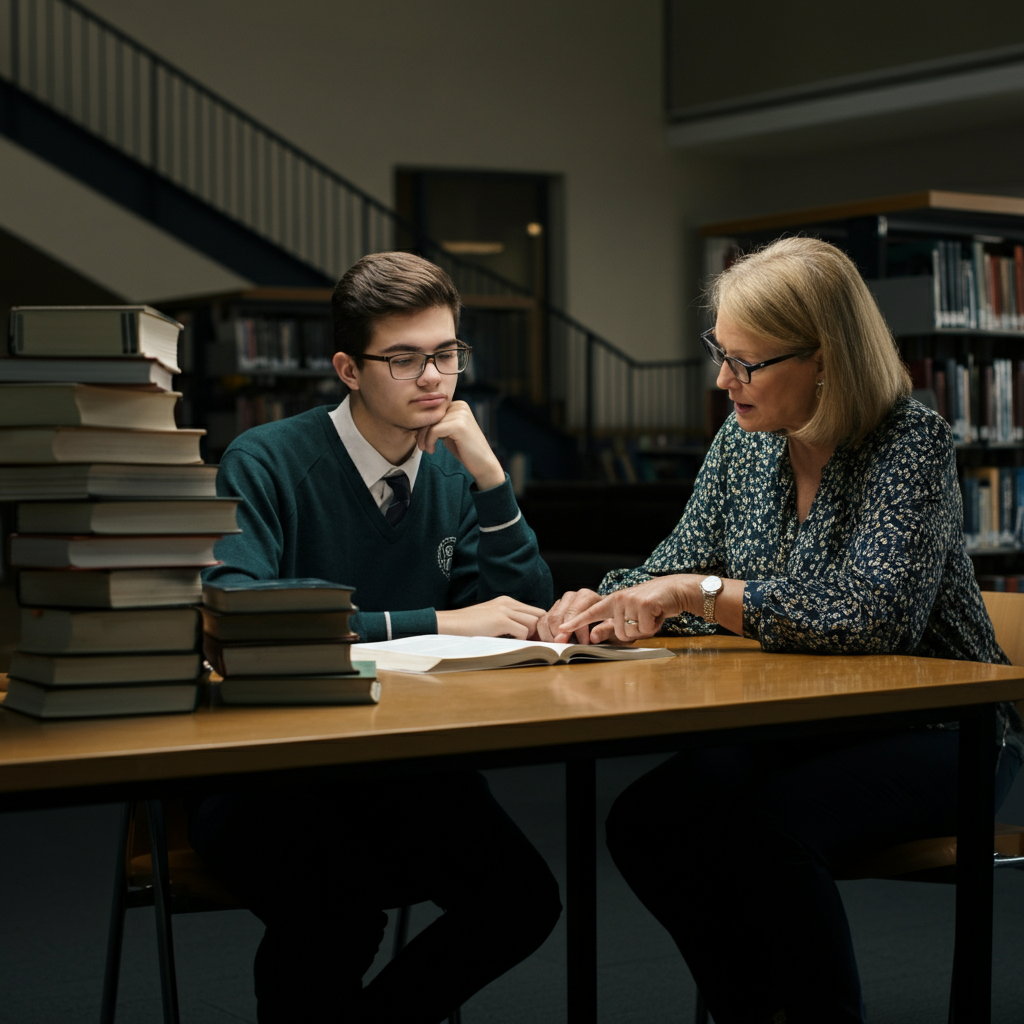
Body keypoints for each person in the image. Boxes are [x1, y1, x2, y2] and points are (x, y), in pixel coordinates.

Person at [537, 236, 1024, 1024]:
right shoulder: (743, 440)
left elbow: (870, 614)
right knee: (650, 821)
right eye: (720, 352)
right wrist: (603, 600)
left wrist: (693, 590)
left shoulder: (912, 443)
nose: (724, 379)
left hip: (944, 729)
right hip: (804, 720)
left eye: (749, 362)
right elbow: (676, 565)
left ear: (826, 358)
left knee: (764, 833)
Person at [188, 252, 561, 1023]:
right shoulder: (267, 458)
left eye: (447, 354)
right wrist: (437, 623)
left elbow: (527, 619)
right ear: (348, 369)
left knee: (523, 900)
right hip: (273, 773)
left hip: (408, 767)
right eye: (404, 359)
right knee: (332, 917)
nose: (433, 377)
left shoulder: (456, 473)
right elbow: (240, 611)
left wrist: (490, 478)